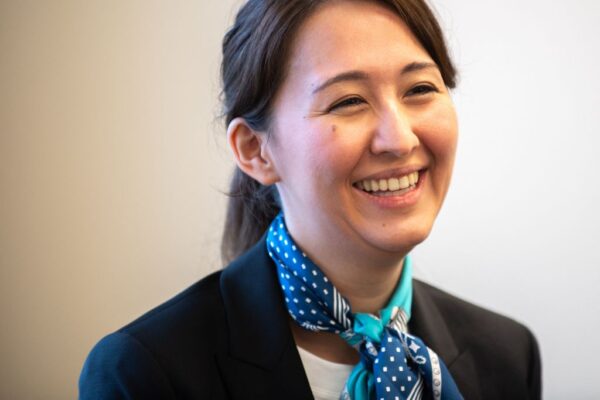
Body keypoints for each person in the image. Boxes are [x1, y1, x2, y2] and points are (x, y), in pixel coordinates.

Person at [79, 0, 542, 399]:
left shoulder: (506, 355)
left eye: (419, 89)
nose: (400, 140)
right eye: (348, 101)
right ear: (256, 150)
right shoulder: (145, 371)